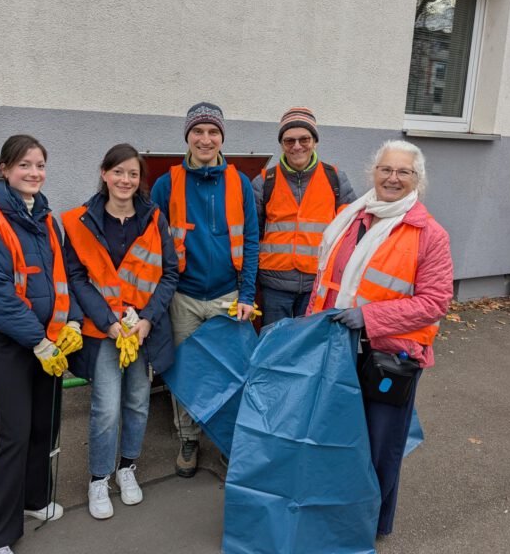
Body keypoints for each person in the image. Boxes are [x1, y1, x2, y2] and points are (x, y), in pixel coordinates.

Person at [308, 139, 453, 537]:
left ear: (417, 181)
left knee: (378, 448)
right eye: (386, 169)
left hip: (389, 358)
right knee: (336, 438)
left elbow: (435, 302)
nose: (392, 178)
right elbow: (325, 282)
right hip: (338, 348)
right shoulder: (350, 218)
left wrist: (369, 317)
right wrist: (310, 330)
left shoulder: (429, 234)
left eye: (403, 172)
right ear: (373, 172)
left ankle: (369, 525)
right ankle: (334, 513)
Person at [0, 135, 84, 554]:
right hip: (12, 345)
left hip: (48, 339)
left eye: (40, 165)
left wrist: (74, 324)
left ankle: (34, 501)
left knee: (42, 427)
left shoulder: (46, 218)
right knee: (14, 436)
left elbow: (65, 275)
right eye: (24, 166)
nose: (34, 173)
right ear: (4, 169)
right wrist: (38, 340)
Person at [62, 143, 179, 520]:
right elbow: (76, 277)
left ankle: (127, 467)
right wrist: (108, 323)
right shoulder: (81, 221)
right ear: (104, 173)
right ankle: (99, 478)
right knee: (106, 408)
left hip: (143, 331)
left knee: (137, 403)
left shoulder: (154, 218)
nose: (125, 180)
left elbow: (169, 273)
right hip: (105, 332)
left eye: (132, 174)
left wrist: (146, 320)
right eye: (118, 172)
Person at [151, 102, 259, 477]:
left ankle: (231, 440)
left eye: (213, 132)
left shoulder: (239, 182)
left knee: (234, 372)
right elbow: (154, 246)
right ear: (187, 136)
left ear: (222, 137)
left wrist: (247, 296)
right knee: (187, 373)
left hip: (229, 297)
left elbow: (251, 241)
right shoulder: (167, 184)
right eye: (198, 131)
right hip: (184, 296)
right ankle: (189, 439)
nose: (205, 139)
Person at [252, 107, 357, 326]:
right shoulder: (264, 181)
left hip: (316, 285)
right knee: (273, 346)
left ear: (315, 141)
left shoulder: (335, 179)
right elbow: (252, 235)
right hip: (274, 286)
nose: (297, 146)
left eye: (304, 139)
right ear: (282, 144)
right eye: (289, 141)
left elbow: (351, 233)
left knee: (307, 348)